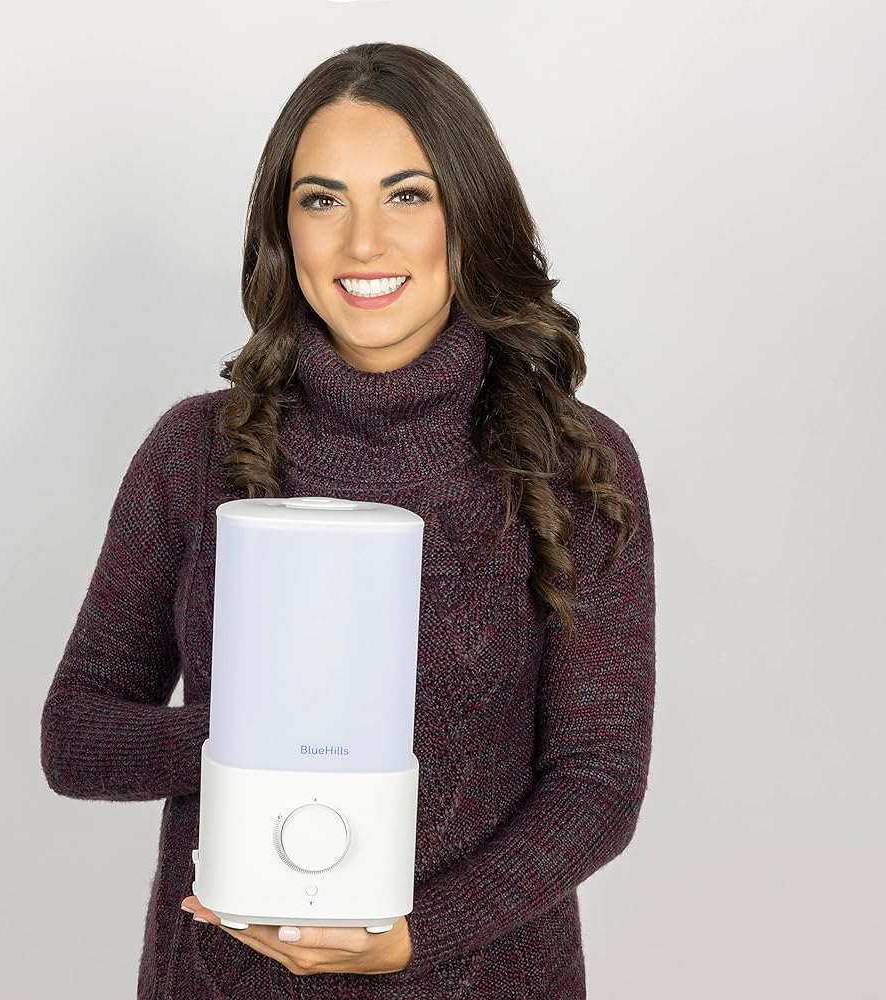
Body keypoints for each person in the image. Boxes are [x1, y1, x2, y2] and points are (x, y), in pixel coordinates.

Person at [40, 41, 656, 1000]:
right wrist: (256, 737)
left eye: (407, 195)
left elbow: (598, 780)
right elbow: (76, 737)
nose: (364, 243)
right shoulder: (197, 451)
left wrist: (416, 936)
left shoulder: (576, 464)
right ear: (284, 228)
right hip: (223, 981)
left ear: (469, 214)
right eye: (322, 200)